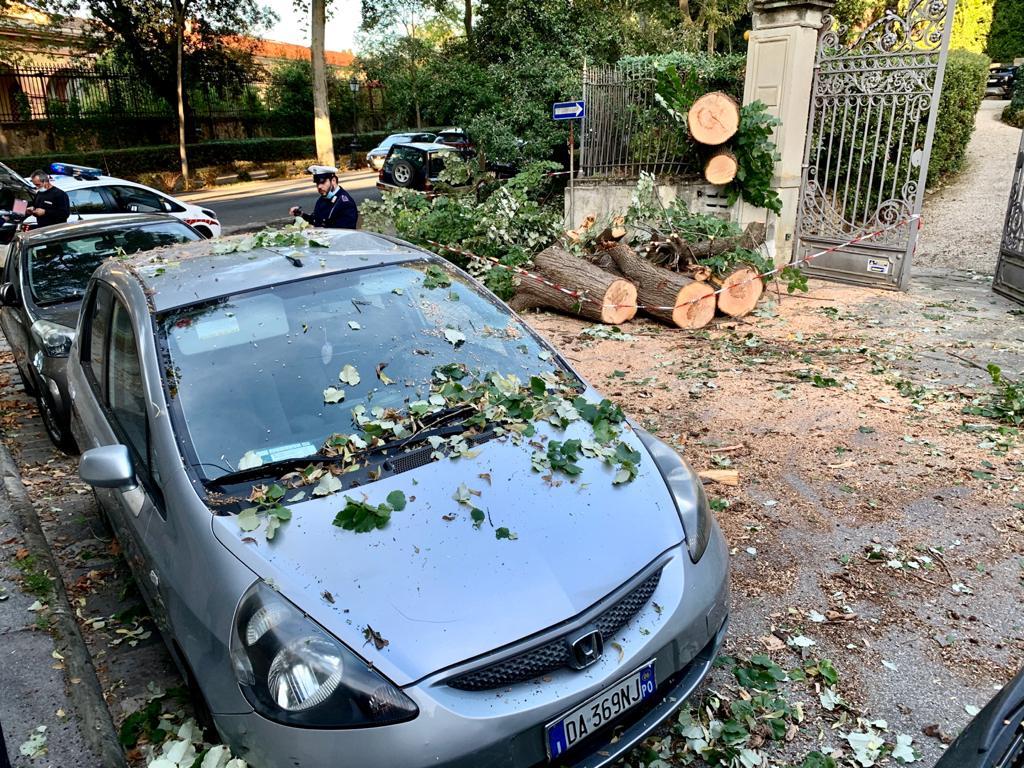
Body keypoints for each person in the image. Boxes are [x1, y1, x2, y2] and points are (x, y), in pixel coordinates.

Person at [288, 165, 358, 229]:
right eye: (317, 183)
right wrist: (301, 214)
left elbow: (345, 232)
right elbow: (316, 220)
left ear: (333, 180)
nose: (319, 186)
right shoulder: (323, 197)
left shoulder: (345, 202)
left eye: (323, 182)